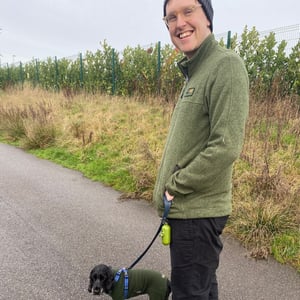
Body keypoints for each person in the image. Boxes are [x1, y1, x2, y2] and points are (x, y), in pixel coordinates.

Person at [153, 0, 249, 299]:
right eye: (171, 17)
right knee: (202, 291)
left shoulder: (225, 65)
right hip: (186, 213)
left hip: (197, 213)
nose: (179, 23)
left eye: (188, 11)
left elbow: (226, 146)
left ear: (207, 17)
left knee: (189, 294)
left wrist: (175, 186)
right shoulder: (196, 71)